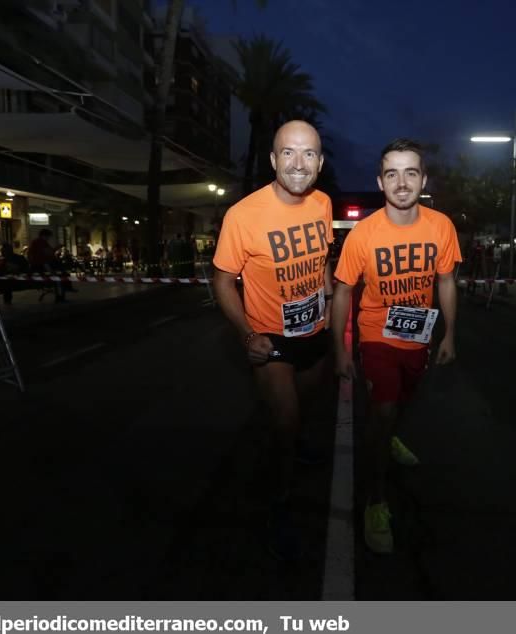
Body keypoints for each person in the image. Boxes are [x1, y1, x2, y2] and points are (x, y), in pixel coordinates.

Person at [331, 138, 461, 555]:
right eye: (392, 173)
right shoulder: (363, 235)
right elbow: (342, 292)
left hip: (418, 337)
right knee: (383, 409)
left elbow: (445, 281)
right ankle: (376, 500)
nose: (401, 182)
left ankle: (387, 437)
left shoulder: (441, 227)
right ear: (380, 181)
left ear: (423, 179)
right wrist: (341, 349)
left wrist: (450, 334)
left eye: (410, 172)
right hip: (376, 336)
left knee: (401, 403)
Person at [212, 120, 334, 561]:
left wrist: (327, 291)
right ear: (272, 160)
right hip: (271, 339)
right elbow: (223, 281)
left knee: (303, 411)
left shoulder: (322, 204)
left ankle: (294, 447)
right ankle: (281, 499)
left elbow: (322, 257)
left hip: (315, 334)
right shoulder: (242, 216)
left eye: (308, 154)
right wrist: (247, 333)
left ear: (319, 162)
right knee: (285, 420)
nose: (298, 164)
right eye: (288, 153)